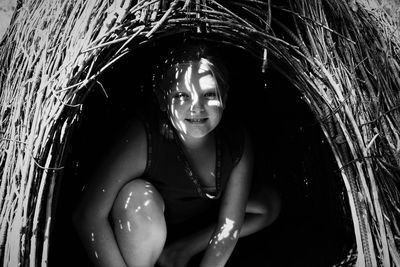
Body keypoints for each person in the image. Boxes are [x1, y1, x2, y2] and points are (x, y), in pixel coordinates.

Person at [73, 40, 281, 267]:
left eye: (209, 94)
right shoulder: (144, 136)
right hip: (145, 228)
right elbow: (88, 216)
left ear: (225, 96)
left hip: (198, 221)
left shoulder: (236, 140)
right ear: (163, 99)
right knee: (136, 195)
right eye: (182, 95)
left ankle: (179, 252)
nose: (197, 107)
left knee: (267, 204)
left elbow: (229, 223)